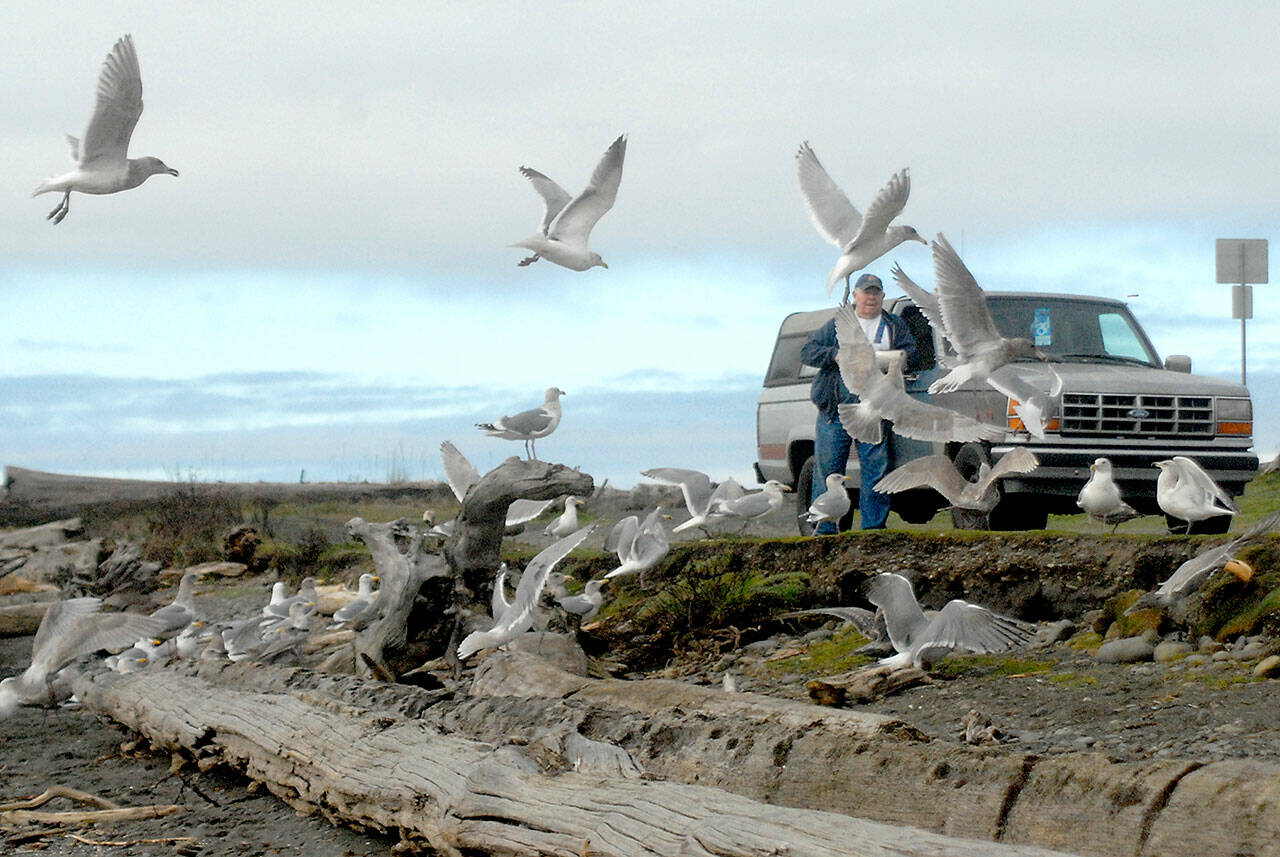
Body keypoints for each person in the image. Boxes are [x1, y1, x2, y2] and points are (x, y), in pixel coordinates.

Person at [799, 272, 920, 533]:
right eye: (867, 292)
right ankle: (824, 532)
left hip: (874, 410)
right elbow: (807, 351)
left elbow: (913, 352)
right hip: (835, 410)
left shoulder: (894, 326)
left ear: (882, 296)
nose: (871, 297)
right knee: (829, 472)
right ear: (855, 295)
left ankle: (873, 531)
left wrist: (899, 358)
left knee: (876, 471)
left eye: (876, 292)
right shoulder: (835, 325)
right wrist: (835, 354)